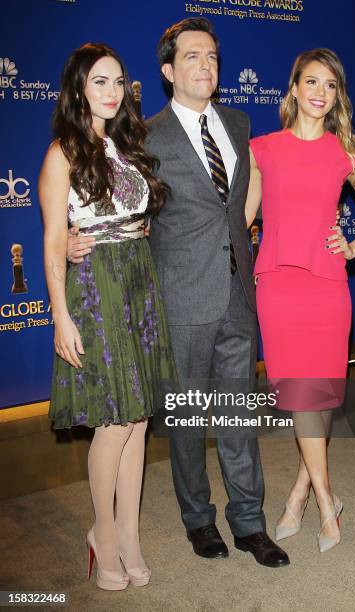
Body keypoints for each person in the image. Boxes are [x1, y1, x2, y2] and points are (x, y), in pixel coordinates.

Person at [67, 19, 290, 568]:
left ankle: (249, 523)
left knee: (237, 415)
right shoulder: (144, 134)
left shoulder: (239, 123)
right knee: (190, 421)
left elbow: (242, 198)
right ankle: (198, 519)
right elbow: (108, 192)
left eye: (212, 56)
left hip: (239, 292)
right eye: (192, 57)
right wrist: (75, 238)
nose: (206, 65)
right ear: (167, 71)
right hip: (180, 297)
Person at [39, 43, 177, 590]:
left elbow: (134, 216)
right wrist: (60, 315)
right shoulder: (62, 153)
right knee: (115, 419)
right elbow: (53, 241)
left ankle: (130, 535)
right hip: (97, 289)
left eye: (119, 81)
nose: (113, 91)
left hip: (137, 280)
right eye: (100, 82)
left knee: (138, 416)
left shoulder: (126, 143)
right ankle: (102, 533)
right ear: (78, 89)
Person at [246, 48, 355, 552]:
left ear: (336, 97)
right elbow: (243, 218)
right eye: (311, 81)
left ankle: (305, 495)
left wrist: (350, 246)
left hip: (327, 287)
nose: (319, 92)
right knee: (300, 394)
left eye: (330, 85)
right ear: (293, 88)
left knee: (320, 394)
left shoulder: (344, 153)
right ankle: (326, 500)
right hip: (279, 286)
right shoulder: (261, 148)